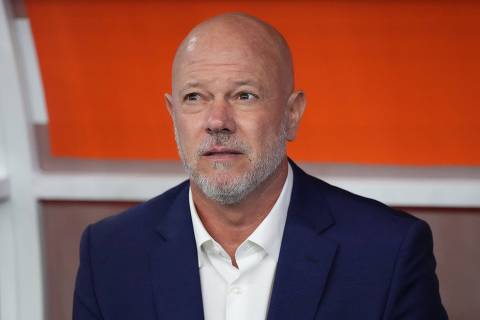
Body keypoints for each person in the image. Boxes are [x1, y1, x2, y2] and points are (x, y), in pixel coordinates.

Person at [73, 13, 448, 320]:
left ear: (292, 114)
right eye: (194, 97)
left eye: (244, 95)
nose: (217, 120)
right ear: (173, 116)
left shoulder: (387, 252)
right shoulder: (109, 254)